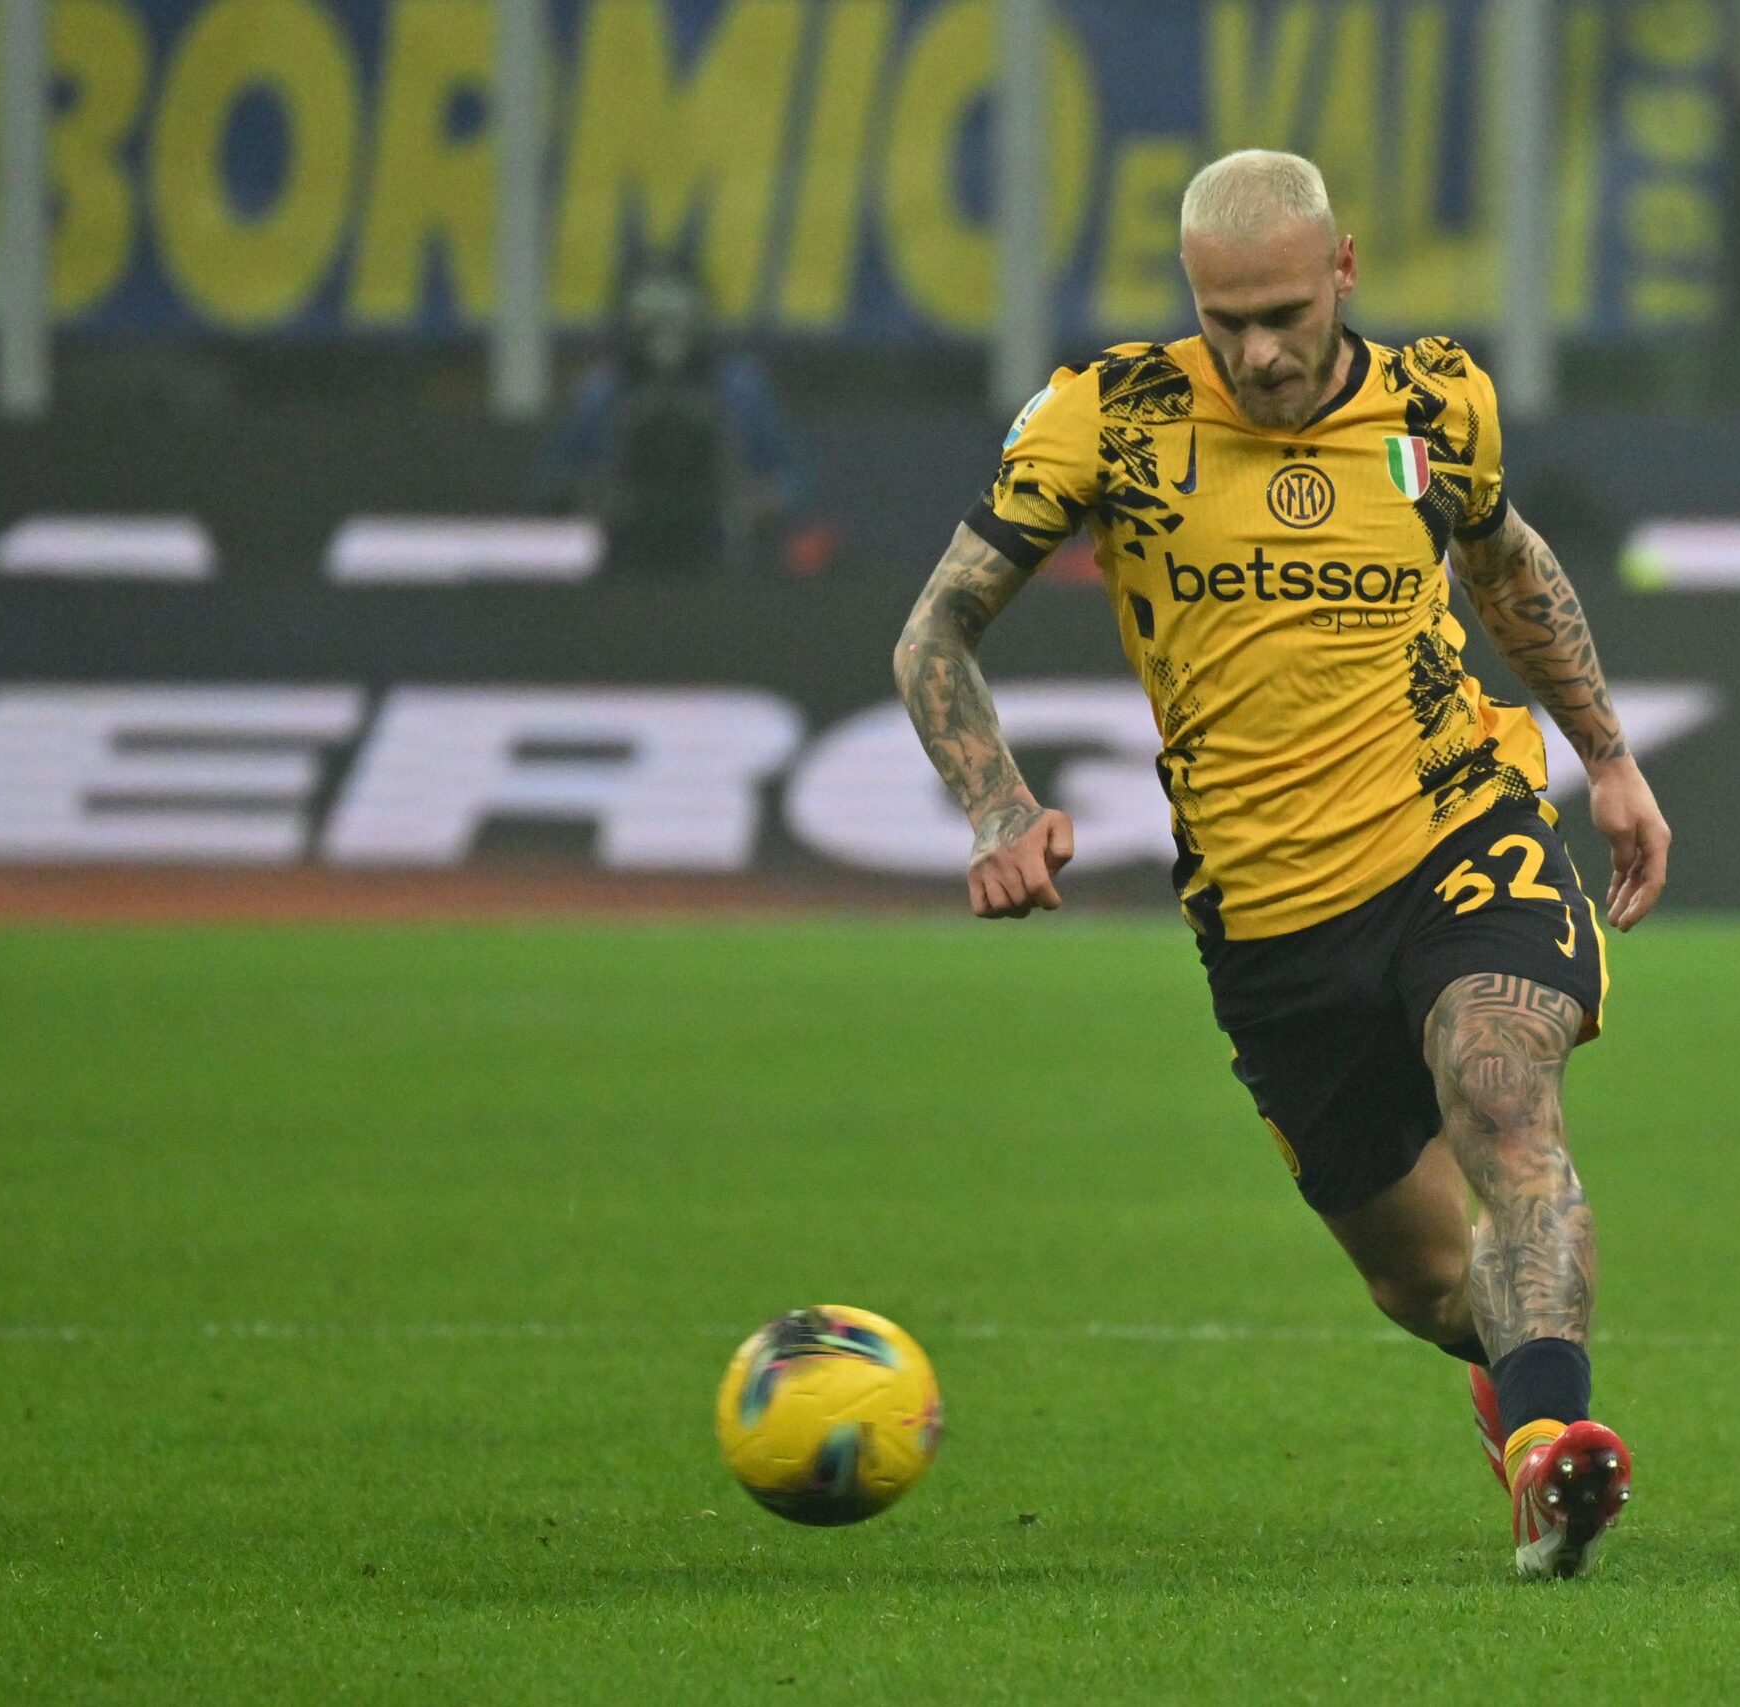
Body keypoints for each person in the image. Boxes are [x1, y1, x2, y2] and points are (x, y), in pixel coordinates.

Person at [892, 151, 1671, 1580]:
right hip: (1269, 919)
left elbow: (1505, 565)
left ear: (1345, 272)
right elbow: (935, 632)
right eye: (1224, 315)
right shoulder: (1109, 416)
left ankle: (1556, 1451)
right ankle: (1514, 1383)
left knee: (1504, 1097)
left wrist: (1605, 754)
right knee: (1431, 1281)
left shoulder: (1439, 400)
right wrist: (998, 807)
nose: (1255, 349)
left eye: (1284, 313)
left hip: (1458, 827)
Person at [535, 258, 816, 577]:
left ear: (698, 317)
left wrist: (759, 502)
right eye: (652, 319)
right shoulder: (603, 390)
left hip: (720, 552)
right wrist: (589, 498)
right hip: (625, 556)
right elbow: (552, 478)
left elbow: (794, 480)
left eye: (677, 318)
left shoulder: (741, 389)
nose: (666, 334)